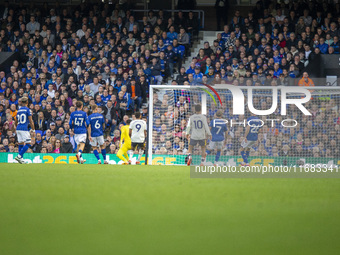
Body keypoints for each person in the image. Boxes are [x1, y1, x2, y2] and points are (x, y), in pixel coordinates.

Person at [15, 97, 35, 164]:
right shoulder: (28, 110)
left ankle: (21, 159)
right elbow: (31, 121)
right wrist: (33, 130)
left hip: (18, 128)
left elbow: (15, 121)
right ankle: (19, 156)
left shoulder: (18, 110)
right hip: (24, 129)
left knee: (21, 144)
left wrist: (17, 126)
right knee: (28, 143)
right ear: (27, 102)